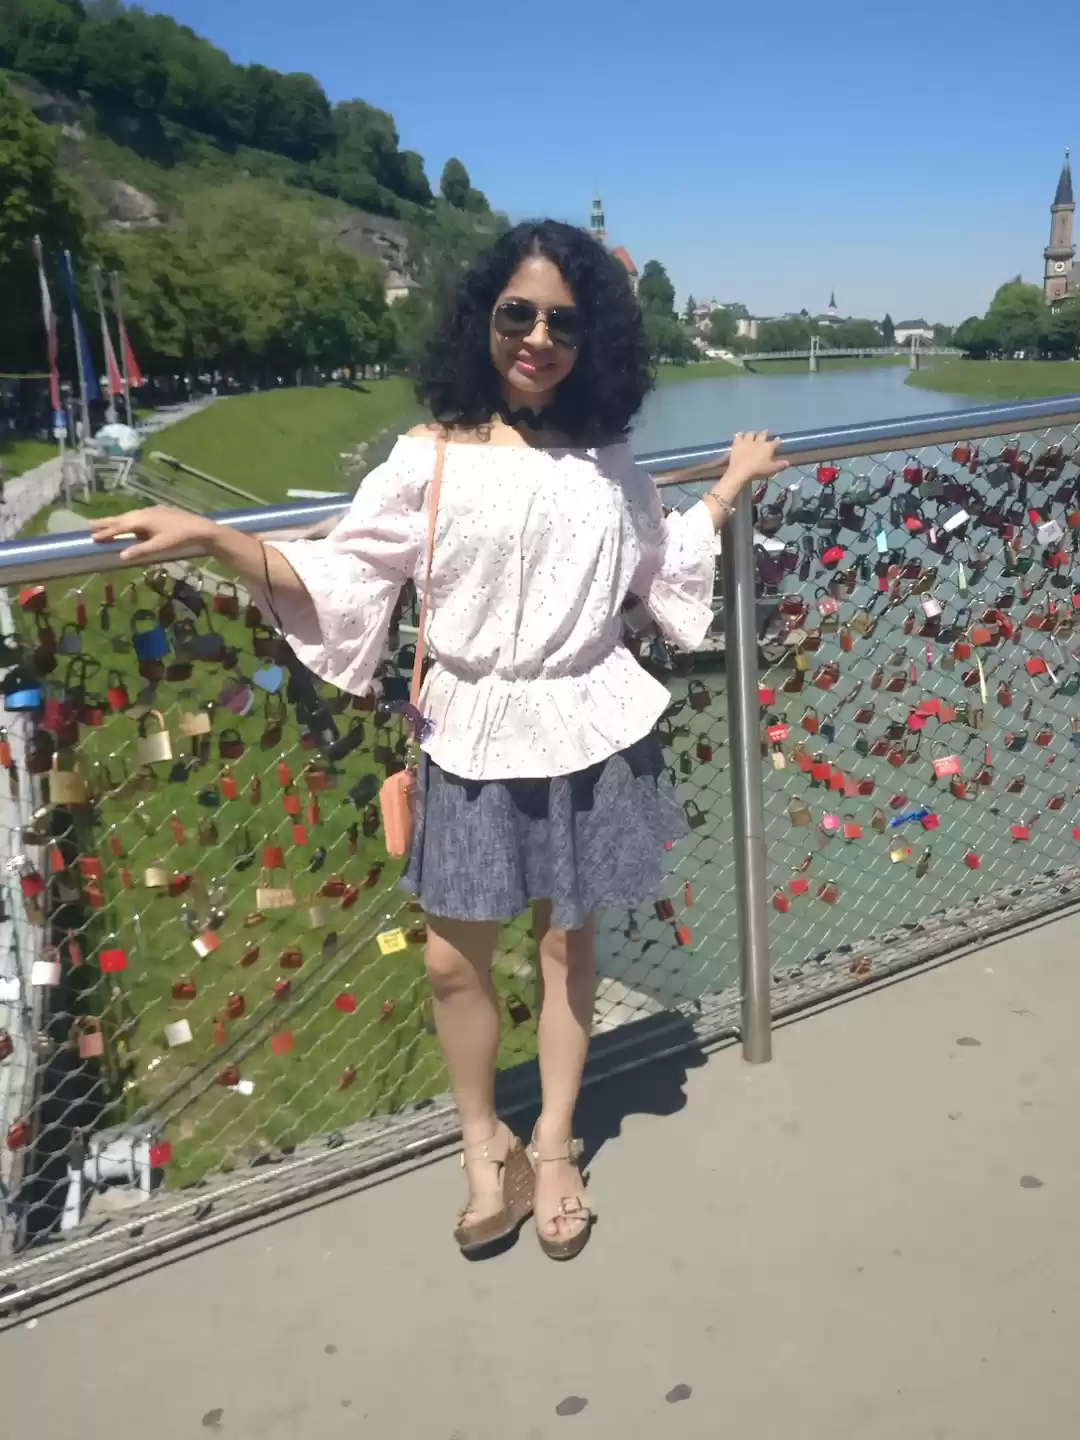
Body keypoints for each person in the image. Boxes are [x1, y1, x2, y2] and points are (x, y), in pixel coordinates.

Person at [89, 219, 786, 1262]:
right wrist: (213, 538)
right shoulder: (428, 458)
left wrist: (728, 490)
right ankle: (481, 1142)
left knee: (566, 953)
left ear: (592, 338)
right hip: (467, 732)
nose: (540, 338)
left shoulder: (608, 465)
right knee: (453, 966)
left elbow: (662, 567)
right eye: (519, 314)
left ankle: (551, 1144)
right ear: (483, 322)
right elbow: (342, 575)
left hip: (589, 726)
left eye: (563, 320)